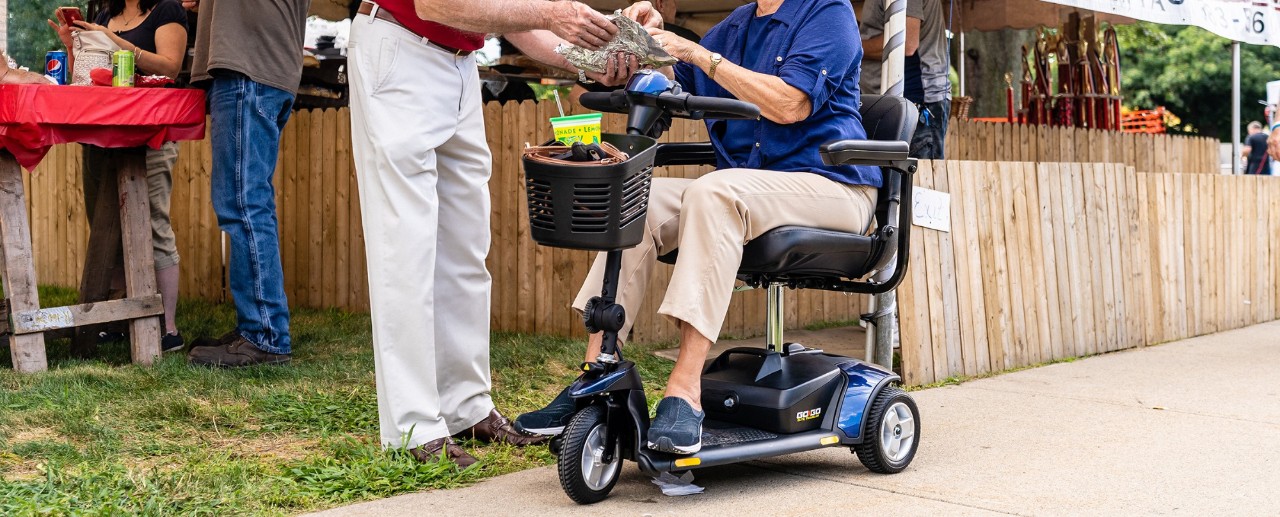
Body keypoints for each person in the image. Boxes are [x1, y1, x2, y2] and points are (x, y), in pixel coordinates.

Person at [516, 0, 881, 455]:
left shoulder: (827, 12)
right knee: (639, 197)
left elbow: (790, 104)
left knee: (715, 191)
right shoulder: (737, 26)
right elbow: (673, 79)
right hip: (750, 189)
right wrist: (641, 44)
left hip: (834, 186)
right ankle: (596, 372)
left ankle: (685, 389)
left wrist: (696, 53)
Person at [346, 0, 634, 467]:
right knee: (405, 251)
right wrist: (551, 14)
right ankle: (413, 427)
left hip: (459, 63)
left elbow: (510, 17)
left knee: (466, 251)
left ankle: (467, 408)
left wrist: (586, 62)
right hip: (401, 47)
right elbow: (435, 4)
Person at [49, 0, 190, 352]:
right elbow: (88, 75)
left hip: (151, 132)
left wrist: (112, 39)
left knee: (154, 225)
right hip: (100, 131)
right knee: (104, 225)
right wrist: (72, 46)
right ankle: (116, 318)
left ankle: (167, 328)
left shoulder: (167, 10)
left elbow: (170, 67)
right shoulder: (105, 15)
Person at [181, 0, 310, 367]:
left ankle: (264, 335)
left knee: (244, 205)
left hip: (250, 70)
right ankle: (256, 327)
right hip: (259, 70)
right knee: (247, 203)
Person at [858, 0, 950, 159]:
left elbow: (907, 43)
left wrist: (853, 46)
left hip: (916, 99)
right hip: (895, 102)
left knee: (916, 173)